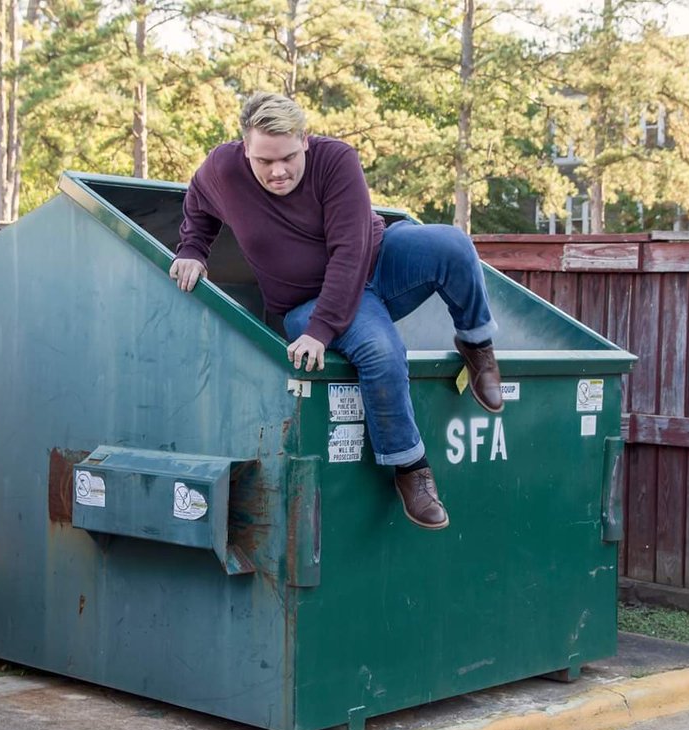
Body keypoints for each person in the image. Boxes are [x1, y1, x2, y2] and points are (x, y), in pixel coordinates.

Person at [171, 92, 503, 530]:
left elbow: (350, 250)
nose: (278, 171)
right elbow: (198, 201)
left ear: (305, 140)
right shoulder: (223, 169)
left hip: (376, 260)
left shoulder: (336, 160)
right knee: (381, 352)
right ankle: (410, 468)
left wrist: (324, 330)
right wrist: (193, 248)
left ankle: (477, 344)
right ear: (245, 148)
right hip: (306, 300)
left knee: (453, 246)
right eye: (264, 161)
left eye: (288, 156)